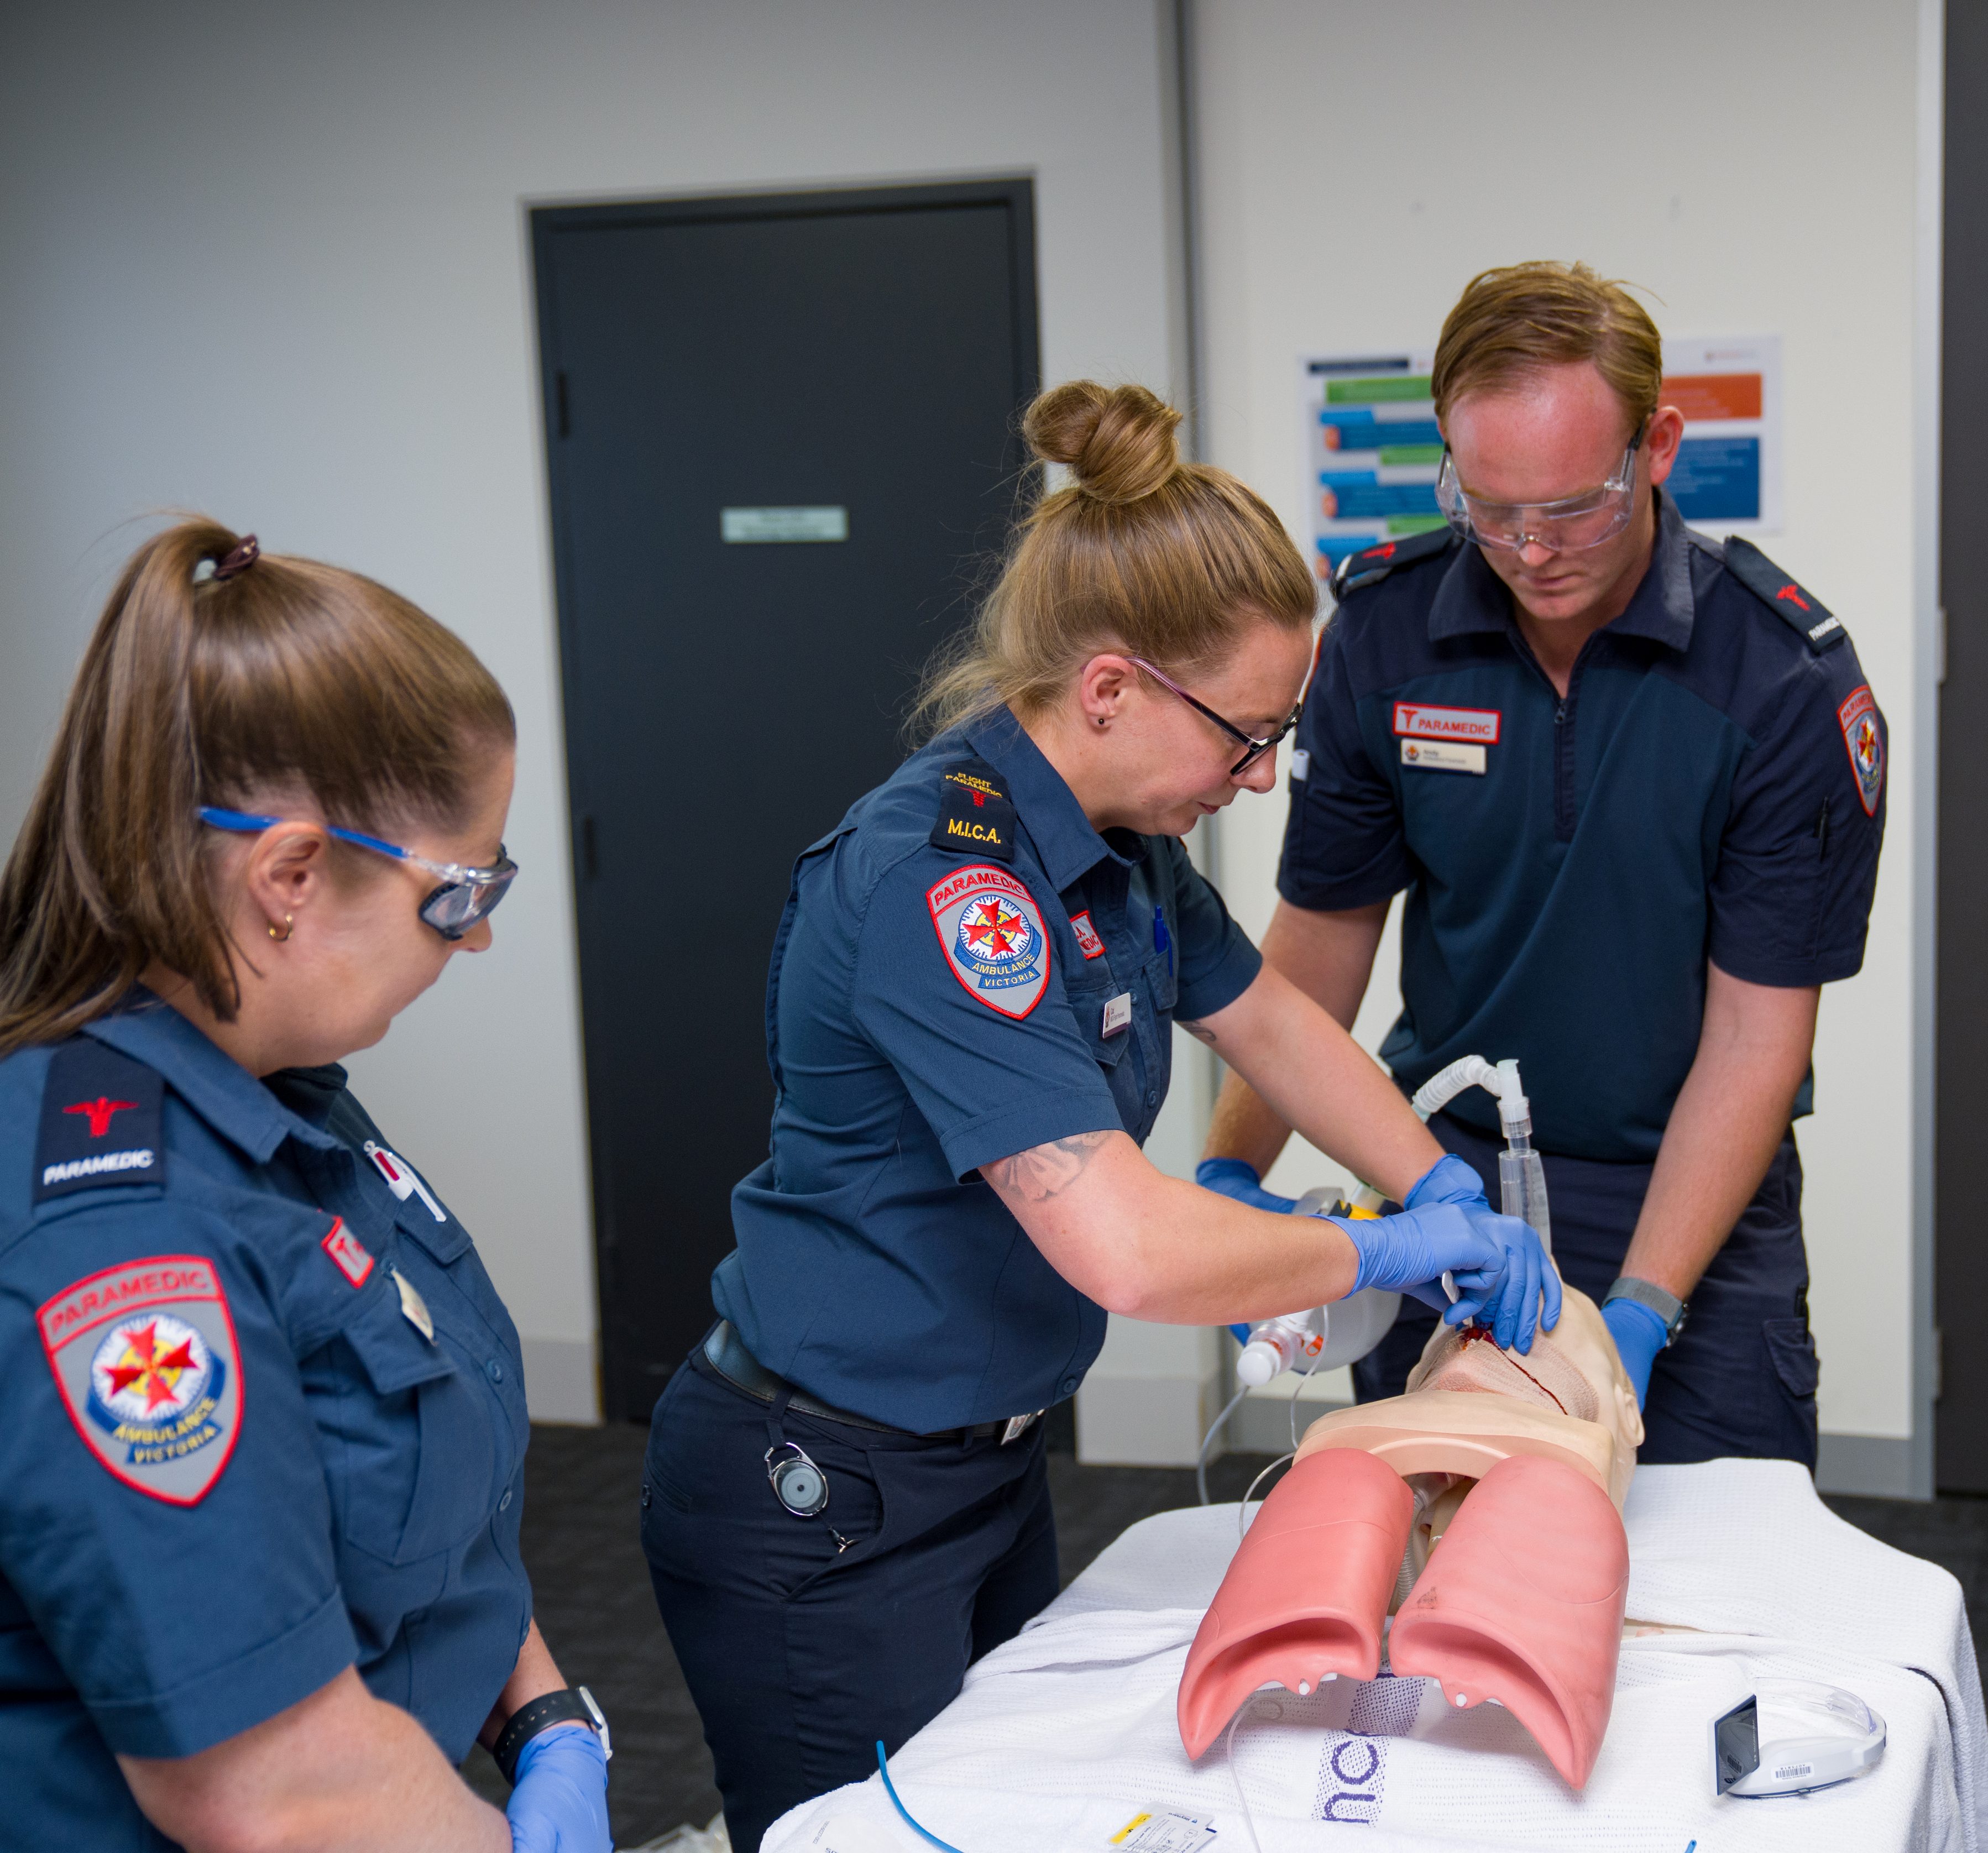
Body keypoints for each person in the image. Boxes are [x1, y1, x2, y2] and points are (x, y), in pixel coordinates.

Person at [638, 381, 1558, 1851]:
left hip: (985, 1460)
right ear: (1113, 687)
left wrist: (1439, 1183)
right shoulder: (949, 885)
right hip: (824, 1488)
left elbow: (1274, 1025)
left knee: (1001, 1815)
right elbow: (1125, 1248)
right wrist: (1378, 1249)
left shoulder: (1123, 853)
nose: (1258, 778)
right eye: (1244, 738)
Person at [1198, 262, 1885, 1469]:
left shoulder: (1779, 678)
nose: (1530, 550)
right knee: (1437, 1538)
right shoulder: (1386, 634)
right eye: (1490, 506)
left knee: (1709, 1551)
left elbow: (1754, 1037)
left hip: (1688, 1199)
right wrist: (1226, 1178)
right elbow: (1314, 951)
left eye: (1573, 508)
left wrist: (1641, 1311)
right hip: (1447, 1188)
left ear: (1656, 447)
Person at [0, 521, 610, 1851]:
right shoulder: (125, 1237)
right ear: (286, 877)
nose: (480, 936)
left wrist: (544, 1714)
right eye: (461, 893)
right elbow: (273, 1785)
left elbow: (419, 1481)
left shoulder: (285, 1093)